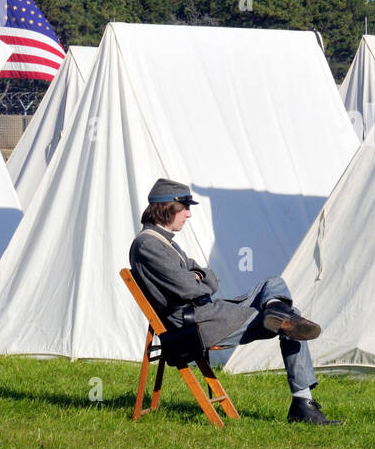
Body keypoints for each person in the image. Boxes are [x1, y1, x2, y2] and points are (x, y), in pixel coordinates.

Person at [128, 178, 341, 425]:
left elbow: (205, 276)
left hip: (207, 312)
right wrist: (198, 278)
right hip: (197, 323)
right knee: (293, 315)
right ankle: (302, 404)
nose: (188, 214)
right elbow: (189, 288)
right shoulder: (148, 245)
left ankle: (277, 311)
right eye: (184, 207)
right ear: (166, 207)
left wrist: (199, 277)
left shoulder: (162, 242)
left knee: (272, 283)